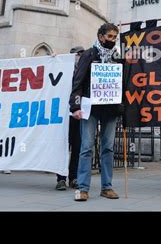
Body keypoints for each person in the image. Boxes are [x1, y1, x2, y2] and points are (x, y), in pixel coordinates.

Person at [69, 23, 122, 201]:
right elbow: (77, 81)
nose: (112, 40)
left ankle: (107, 187)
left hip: (111, 109)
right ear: (100, 37)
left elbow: (123, 83)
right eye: (109, 37)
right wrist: (75, 106)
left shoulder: (117, 56)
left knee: (108, 148)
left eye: (115, 37)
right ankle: (83, 188)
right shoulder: (88, 55)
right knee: (86, 147)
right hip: (90, 108)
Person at [55, 46, 84, 190]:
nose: (79, 57)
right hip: (63, 116)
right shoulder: (63, 71)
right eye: (77, 54)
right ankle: (60, 178)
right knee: (63, 147)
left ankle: (74, 177)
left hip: (78, 115)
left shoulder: (84, 71)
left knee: (77, 147)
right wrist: (53, 59)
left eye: (81, 54)